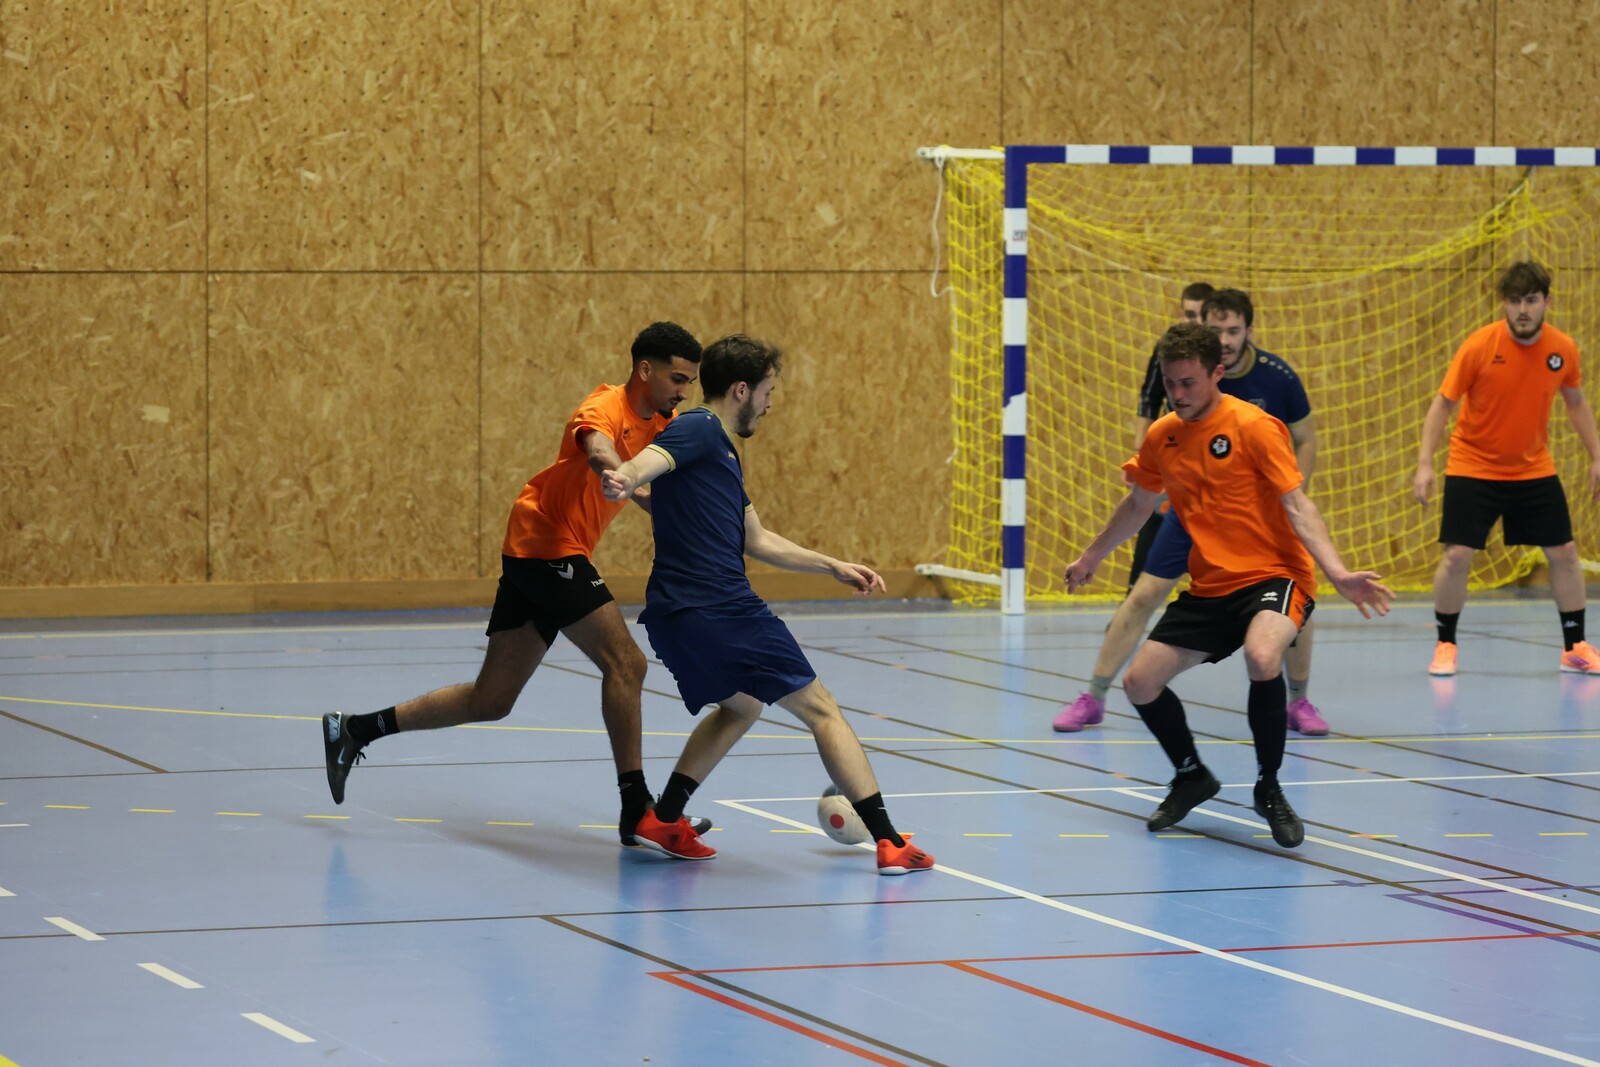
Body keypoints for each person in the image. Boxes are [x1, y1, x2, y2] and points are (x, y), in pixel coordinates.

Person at [321, 321, 713, 845]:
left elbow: (662, 479)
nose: (684, 392)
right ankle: (635, 808)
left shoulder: (665, 423)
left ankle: (353, 729)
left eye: (690, 383)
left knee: (492, 699)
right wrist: (623, 477)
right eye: (677, 379)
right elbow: (599, 450)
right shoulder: (604, 406)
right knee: (627, 664)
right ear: (645, 370)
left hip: (537, 548)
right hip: (549, 544)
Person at [599, 334, 934, 876]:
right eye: (768, 391)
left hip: (674, 615)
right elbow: (650, 460)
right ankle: (890, 842)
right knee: (822, 710)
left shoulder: (719, 451)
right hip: (721, 608)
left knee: (743, 706)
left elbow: (756, 538)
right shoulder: (698, 428)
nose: (771, 403)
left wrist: (832, 565)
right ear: (741, 390)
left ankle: (663, 818)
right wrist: (627, 475)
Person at [1064, 322, 1392, 848]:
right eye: (1170, 383)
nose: (1178, 394)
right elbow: (1138, 504)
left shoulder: (1254, 426)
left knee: (1262, 655)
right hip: (1212, 584)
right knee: (1140, 682)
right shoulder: (1163, 435)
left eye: (1189, 382)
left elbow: (1297, 504)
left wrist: (1338, 573)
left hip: (1276, 574)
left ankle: (1269, 787)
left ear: (1217, 373)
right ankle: (1192, 775)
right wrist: (1091, 556)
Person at [1055, 289, 1330, 735]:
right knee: (1143, 594)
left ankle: (1298, 700)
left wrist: (1291, 493)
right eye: (1216, 329)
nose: (1224, 339)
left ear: (1248, 332)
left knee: (1293, 604)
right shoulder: (1186, 375)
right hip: (1192, 513)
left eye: (1233, 330)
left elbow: (1306, 437)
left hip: (1255, 523)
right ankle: (1094, 694)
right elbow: (1155, 439)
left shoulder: (1275, 378)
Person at [1414, 260, 1600, 677]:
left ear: (1546, 301)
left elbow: (1575, 401)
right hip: (1472, 465)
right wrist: (1425, 463)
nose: (1523, 310)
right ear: (1504, 303)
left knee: (1565, 553)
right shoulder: (1479, 346)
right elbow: (1443, 404)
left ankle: (1575, 647)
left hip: (1532, 468)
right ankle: (1446, 644)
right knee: (1457, 555)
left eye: (1531, 300)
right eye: (1514, 301)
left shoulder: (1562, 349)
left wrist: (1597, 455)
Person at [1127, 283, 1215, 591]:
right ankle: (1132, 600)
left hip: (1215, 460)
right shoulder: (1167, 350)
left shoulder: (1219, 357)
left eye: (1201, 315)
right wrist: (1141, 454)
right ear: (1180, 314)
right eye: (1189, 314)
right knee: (1153, 524)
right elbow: (1148, 399)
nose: (1195, 321)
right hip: (1175, 456)